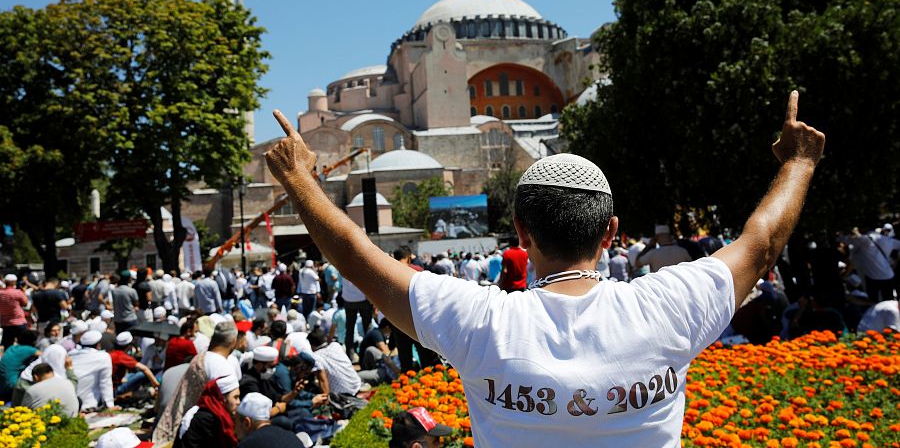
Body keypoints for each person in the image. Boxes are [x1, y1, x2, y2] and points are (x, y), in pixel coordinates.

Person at [262, 90, 825, 445]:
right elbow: (762, 243)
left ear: (523, 234)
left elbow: (359, 260)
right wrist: (799, 162)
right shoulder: (668, 305)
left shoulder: (481, 321)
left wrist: (301, 181)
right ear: (610, 232)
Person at [174, 375, 241, 448]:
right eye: (235, 397)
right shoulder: (207, 419)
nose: (238, 402)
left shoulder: (221, 416)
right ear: (222, 398)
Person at [235, 392, 305, 448]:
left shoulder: (246, 445)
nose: (235, 429)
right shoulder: (292, 437)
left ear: (246, 423)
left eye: (236, 422)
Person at [70, 329, 115, 411]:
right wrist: (110, 405)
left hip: (71, 403)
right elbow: (105, 382)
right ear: (98, 345)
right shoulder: (103, 357)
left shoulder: (71, 354)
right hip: (89, 405)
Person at [307, 329, 359, 396]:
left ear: (311, 344)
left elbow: (322, 380)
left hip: (341, 394)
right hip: (356, 385)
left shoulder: (315, 357)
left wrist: (325, 399)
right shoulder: (336, 345)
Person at [0, 329, 39, 400]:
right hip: (13, 385)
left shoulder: (11, 348)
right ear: (33, 341)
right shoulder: (29, 349)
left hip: (2, 384)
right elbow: (45, 355)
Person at [0, 274, 28, 349]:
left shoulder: (1, 293)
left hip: (5, 323)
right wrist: (24, 292)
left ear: (5, 282)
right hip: (19, 321)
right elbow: (25, 303)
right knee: (23, 344)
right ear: (14, 282)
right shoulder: (17, 292)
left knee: (8, 346)